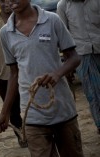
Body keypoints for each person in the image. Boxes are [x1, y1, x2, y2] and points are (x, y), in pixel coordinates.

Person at [0, 0, 84, 156]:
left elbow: (74, 58)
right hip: (32, 115)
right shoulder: (5, 32)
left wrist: (57, 73)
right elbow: (14, 74)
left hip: (62, 109)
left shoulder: (52, 20)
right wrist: (4, 112)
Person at [0, 0, 27, 148]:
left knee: (30, 105)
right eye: (1, 0)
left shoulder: (23, 17)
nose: (6, 3)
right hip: (5, 75)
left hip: (26, 72)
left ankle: (35, 133)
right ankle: (21, 135)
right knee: (12, 110)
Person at [57, 0, 100, 135]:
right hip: (82, 55)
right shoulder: (63, 5)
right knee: (93, 94)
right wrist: (68, 64)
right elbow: (64, 37)